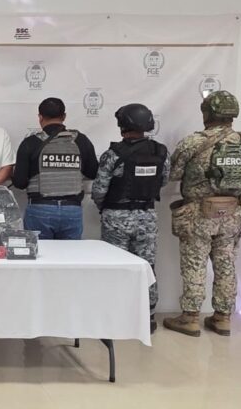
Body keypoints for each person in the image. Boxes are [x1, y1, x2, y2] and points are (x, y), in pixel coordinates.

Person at [163, 90, 241, 337]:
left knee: (194, 264)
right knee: (226, 265)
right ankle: (222, 318)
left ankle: (190, 318)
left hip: (199, 213)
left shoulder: (193, 142)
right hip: (232, 214)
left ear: (207, 114)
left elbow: (172, 174)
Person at [91, 103, 170, 333]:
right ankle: (148, 316)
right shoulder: (161, 152)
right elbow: (164, 181)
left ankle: (116, 316)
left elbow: (99, 190)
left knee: (115, 267)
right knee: (147, 267)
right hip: (147, 217)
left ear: (122, 125)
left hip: (116, 217)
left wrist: (106, 208)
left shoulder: (113, 155)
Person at [12, 97, 98, 239]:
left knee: (40, 252)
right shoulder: (81, 140)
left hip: (40, 209)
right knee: (69, 253)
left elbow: (20, 183)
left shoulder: (30, 142)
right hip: (72, 209)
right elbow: (93, 172)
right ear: (64, 116)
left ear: (40, 117)